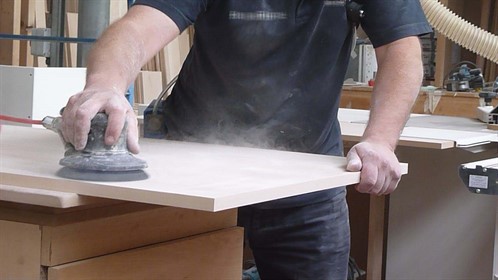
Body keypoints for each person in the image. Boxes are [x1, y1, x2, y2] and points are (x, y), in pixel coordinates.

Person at [60, 1, 432, 279]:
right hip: (193, 174)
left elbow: (402, 49)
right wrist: (104, 85)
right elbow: (137, 28)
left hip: (307, 176)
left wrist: (381, 140)